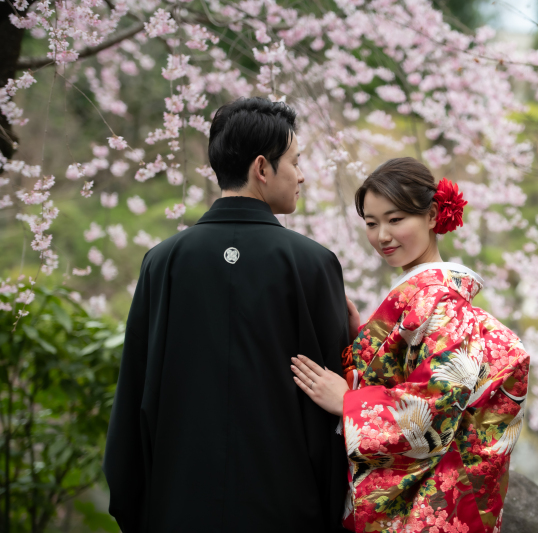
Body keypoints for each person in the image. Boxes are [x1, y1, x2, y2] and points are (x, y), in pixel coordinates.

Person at [103, 97, 354, 533]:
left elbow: (133, 401)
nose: (302, 175)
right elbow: (325, 408)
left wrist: (137, 507)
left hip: (176, 506)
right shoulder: (313, 264)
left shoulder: (163, 263)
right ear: (262, 168)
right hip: (287, 509)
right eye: (295, 161)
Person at [291, 157, 530, 533]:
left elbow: (437, 405)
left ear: (433, 215)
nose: (382, 235)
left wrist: (348, 403)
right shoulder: (423, 298)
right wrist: (364, 341)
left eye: (396, 219)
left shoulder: (442, 304)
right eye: (371, 224)